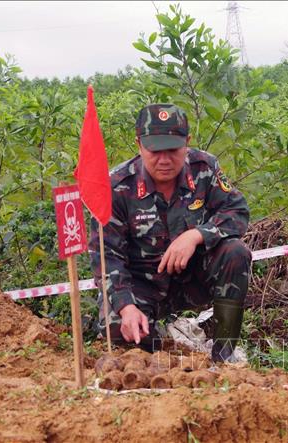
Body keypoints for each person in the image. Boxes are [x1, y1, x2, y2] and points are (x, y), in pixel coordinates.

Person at [89, 104, 251, 362]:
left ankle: (224, 354)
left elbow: (238, 211)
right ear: (139, 145)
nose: (164, 160)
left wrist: (197, 234)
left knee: (235, 252)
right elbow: (106, 256)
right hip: (142, 285)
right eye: (155, 151)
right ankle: (157, 340)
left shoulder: (204, 169)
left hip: (193, 278)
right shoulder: (117, 187)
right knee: (120, 331)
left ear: (187, 142)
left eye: (173, 150)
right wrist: (126, 306)